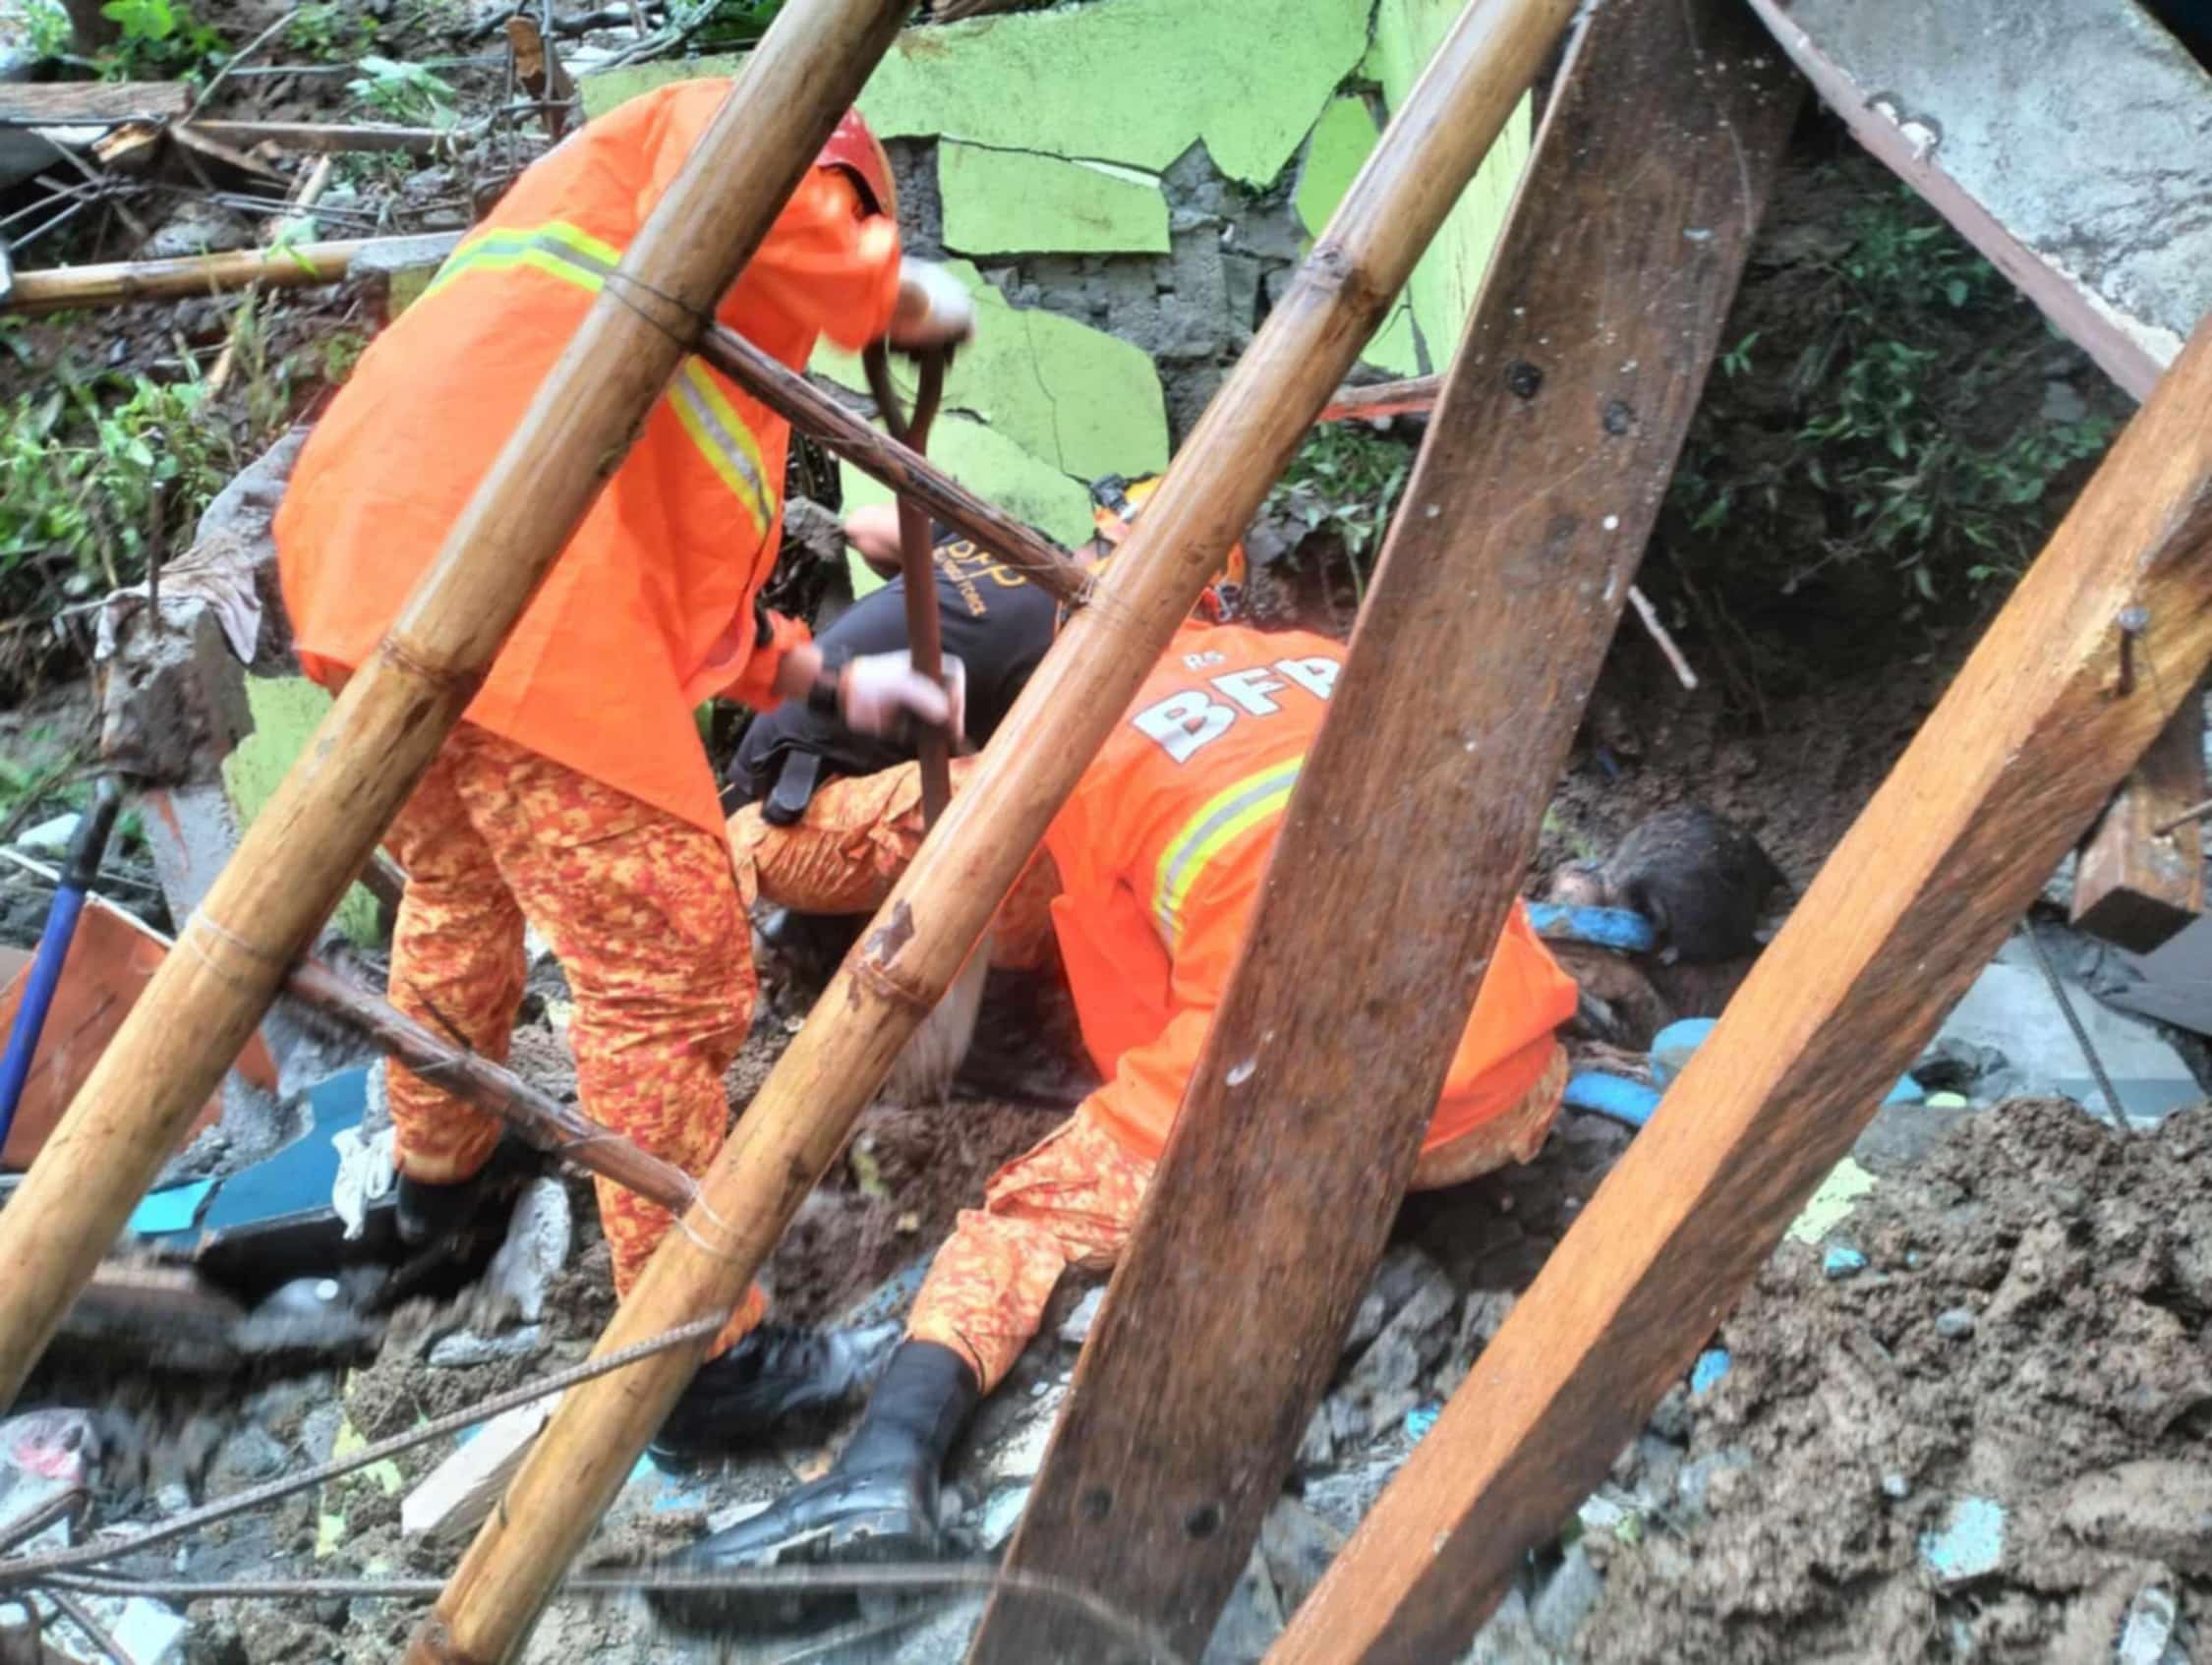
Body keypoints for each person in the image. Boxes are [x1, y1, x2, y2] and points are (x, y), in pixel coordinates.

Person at [647, 507, 1579, 1610]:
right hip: (1513, 1082)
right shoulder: (1331, 660)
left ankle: (881, 1471)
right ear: (1219, 596)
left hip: (1310, 1111)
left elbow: (1134, 1033)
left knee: (1017, 1224)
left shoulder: (1075, 737)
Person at [274, 85, 977, 1463]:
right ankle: (696, 1359)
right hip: (517, 588)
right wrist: (889, 289)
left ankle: (439, 1189)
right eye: (843, 218)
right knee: (669, 971)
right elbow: (778, 178)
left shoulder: (655, 356)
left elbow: (696, 619)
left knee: (461, 894)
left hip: (370, 562)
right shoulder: (733, 132)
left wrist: (841, 684)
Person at [728, 501, 1063, 976]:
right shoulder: (1065, 653)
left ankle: (827, 924)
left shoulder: (1018, 543)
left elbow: (865, 527)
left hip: (767, 748)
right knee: (1038, 798)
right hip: (769, 833)